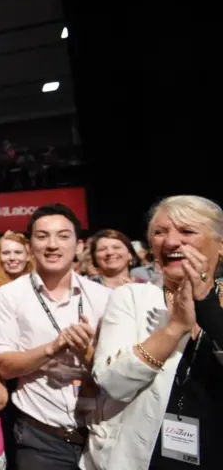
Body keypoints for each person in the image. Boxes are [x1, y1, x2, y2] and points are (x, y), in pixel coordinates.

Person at [81, 196, 223, 470]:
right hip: (137, 458)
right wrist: (175, 328)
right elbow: (112, 382)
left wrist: (207, 305)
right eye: (159, 232)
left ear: (220, 245)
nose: (170, 242)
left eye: (187, 231)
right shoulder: (131, 297)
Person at [0, 204, 110, 470]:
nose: (52, 245)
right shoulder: (9, 296)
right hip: (39, 437)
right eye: (42, 236)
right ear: (31, 245)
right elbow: (5, 365)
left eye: (63, 236)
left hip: (99, 434)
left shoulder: (104, 297)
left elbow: (117, 368)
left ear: (79, 246)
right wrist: (53, 348)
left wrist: (89, 354)